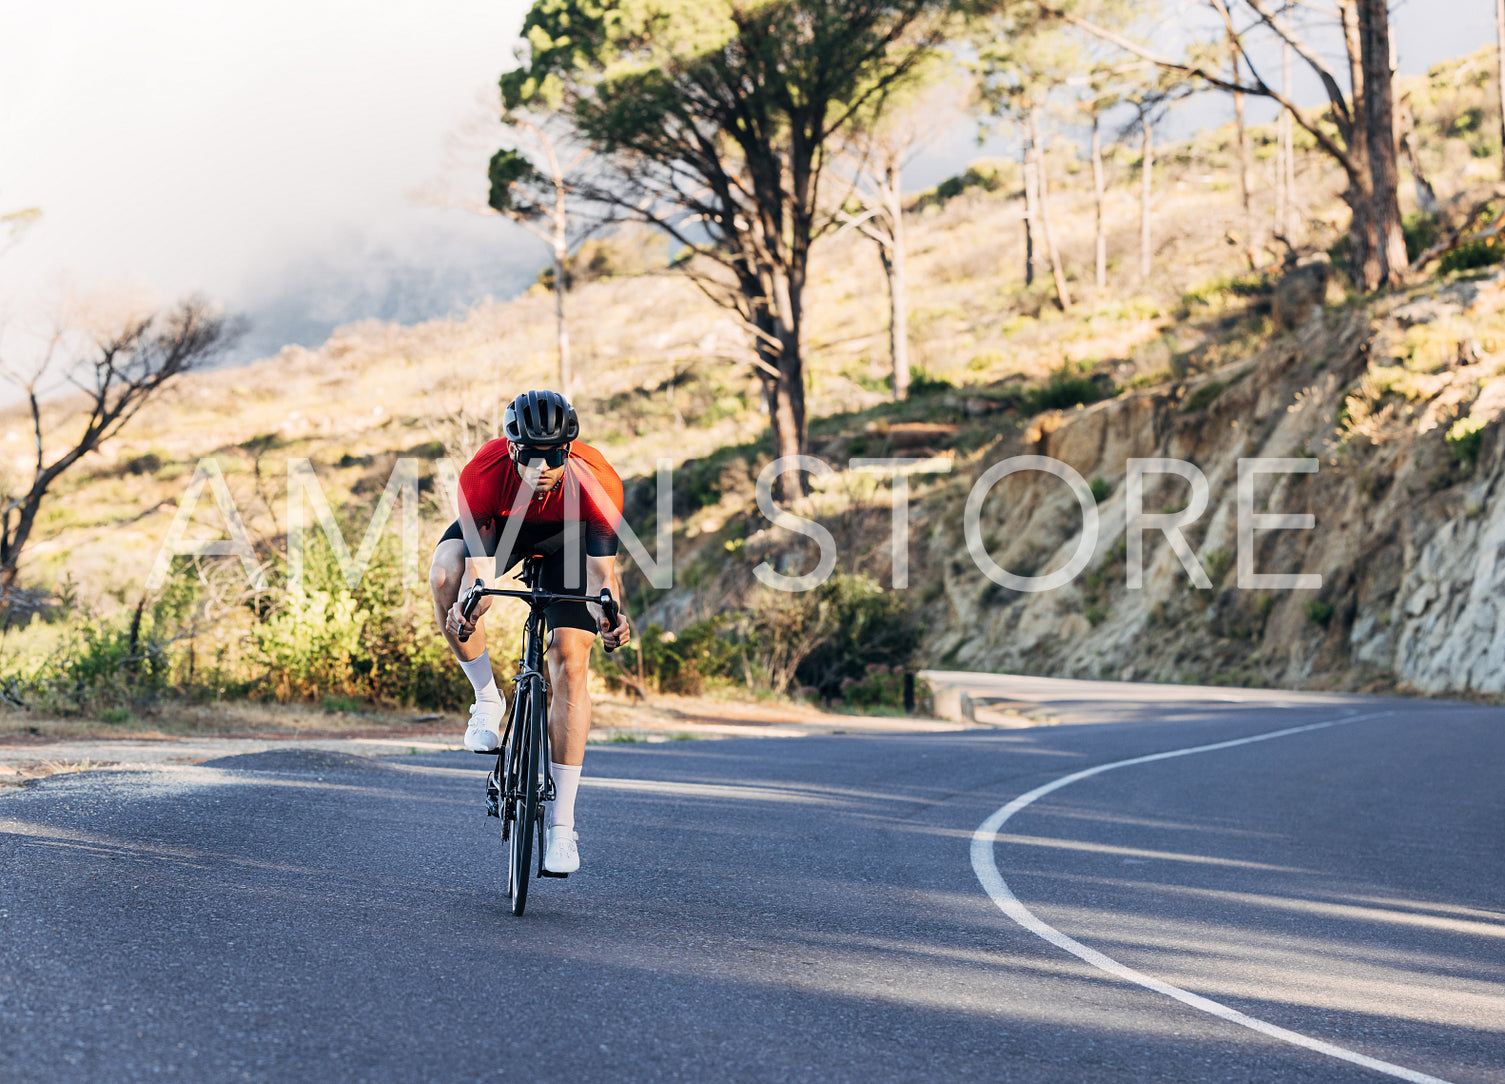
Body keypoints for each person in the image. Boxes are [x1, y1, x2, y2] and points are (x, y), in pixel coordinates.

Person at [428, 389, 631, 875]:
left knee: (570, 659)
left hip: (571, 542)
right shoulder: (482, 473)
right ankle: (487, 699)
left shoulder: (597, 479)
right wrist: (469, 605)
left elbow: (605, 576)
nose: (542, 466)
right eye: (531, 456)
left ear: (570, 448)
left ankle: (562, 827)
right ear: (512, 448)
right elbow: (481, 572)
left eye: (555, 455)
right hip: (503, 529)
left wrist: (612, 617)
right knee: (444, 575)